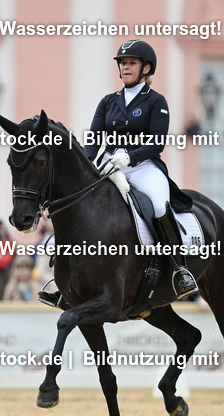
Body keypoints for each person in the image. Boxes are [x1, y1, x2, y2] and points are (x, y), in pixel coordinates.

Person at [83, 39, 197, 299]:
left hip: (143, 167)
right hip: (109, 166)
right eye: (122, 63)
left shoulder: (156, 101)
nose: (125, 67)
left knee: (158, 204)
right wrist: (88, 165)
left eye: (131, 63)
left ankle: (179, 268)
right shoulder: (108, 101)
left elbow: (157, 142)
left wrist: (130, 157)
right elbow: (92, 139)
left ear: (146, 68)